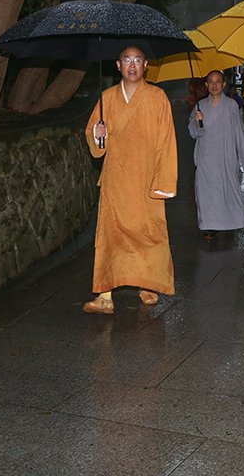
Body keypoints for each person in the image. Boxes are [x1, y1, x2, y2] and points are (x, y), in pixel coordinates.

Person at [83, 46, 177, 314]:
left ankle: (147, 283)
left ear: (146, 65)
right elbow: (96, 144)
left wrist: (164, 180)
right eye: (126, 60)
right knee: (111, 237)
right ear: (118, 65)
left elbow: (167, 142)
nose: (132, 65)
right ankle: (104, 295)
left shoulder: (158, 97)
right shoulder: (107, 98)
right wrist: (99, 134)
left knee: (148, 234)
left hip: (147, 179)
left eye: (137, 60)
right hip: (116, 180)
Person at [188, 70, 244, 238]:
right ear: (206, 85)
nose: (214, 84)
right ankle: (208, 226)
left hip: (225, 156)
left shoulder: (231, 105)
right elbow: (193, 133)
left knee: (227, 190)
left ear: (224, 85)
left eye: (218, 81)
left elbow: (239, 131)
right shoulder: (200, 106)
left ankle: (229, 222)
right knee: (206, 192)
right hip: (206, 157)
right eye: (210, 81)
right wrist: (197, 122)